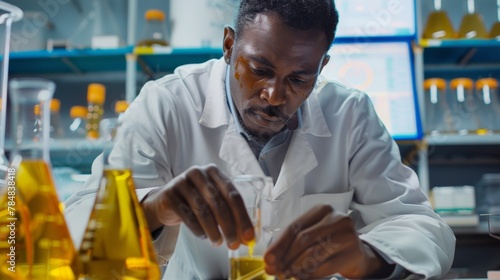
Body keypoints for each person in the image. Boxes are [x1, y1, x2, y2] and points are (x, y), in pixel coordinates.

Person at [65, 0, 456, 279]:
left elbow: (421, 226)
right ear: (229, 46)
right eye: (259, 70)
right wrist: (154, 209)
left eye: (299, 78)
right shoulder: (167, 103)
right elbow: (77, 226)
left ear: (322, 67)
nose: (274, 95)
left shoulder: (350, 115)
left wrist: (368, 256)